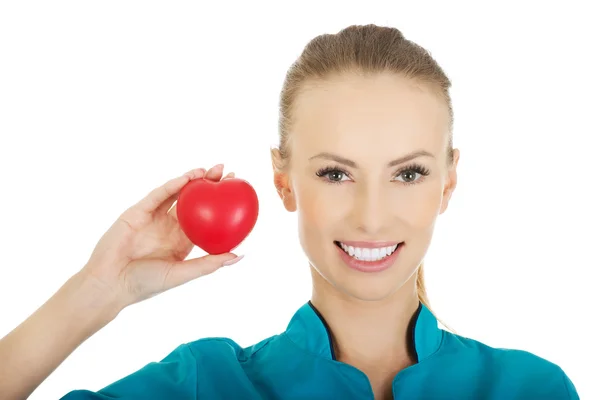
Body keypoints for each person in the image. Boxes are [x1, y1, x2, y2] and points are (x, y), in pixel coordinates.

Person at [0, 24, 578, 400]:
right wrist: (99, 289)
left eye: (408, 173)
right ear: (284, 181)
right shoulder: (207, 385)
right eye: (335, 173)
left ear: (448, 182)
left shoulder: (532, 388)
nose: (372, 218)